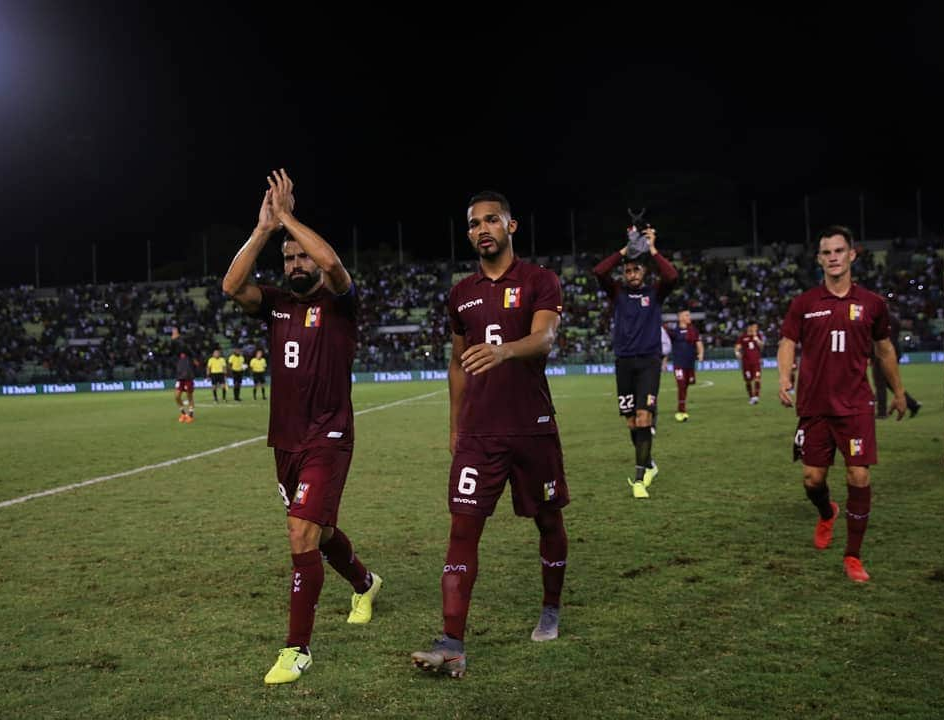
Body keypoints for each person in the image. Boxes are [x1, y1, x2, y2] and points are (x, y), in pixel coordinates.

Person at [221, 169, 381, 685]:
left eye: (300, 256)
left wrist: (289, 216)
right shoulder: (276, 305)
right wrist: (265, 230)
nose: (295, 264)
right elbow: (230, 286)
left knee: (299, 533)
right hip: (285, 439)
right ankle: (364, 582)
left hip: (329, 437)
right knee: (321, 530)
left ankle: (297, 649)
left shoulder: (340, 303)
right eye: (288, 259)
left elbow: (333, 263)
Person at [411, 191, 569, 678]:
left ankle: (550, 606)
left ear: (510, 226)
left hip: (532, 429)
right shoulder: (461, 294)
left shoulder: (540, 281)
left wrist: (503, 352)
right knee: (462, 530)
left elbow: (544, 338)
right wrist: (455, 425)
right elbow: (458, 363)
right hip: (479, 436)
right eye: (474, 224)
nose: (482, 229)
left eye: (491, 220)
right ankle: (452, 642)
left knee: (546, 520)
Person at [778, 225, 908, 584]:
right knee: (812, 479)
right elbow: (788, 341)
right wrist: (784, 377)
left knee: (859, 475)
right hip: (814, 406)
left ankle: (852, 556)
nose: (833, 257)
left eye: (839, 250)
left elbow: (884, 349)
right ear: (819, 259)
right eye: (826, 252)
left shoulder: (872, 304)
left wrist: (898, 392)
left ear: (852, 255)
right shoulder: (804, 303)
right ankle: (826, 511)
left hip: (855, 406)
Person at [592, 225, 678, 498]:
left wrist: (652, 249)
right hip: (624, 363)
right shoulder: (617, 293)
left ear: (644, 272)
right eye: (628, 270)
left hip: (649, 362)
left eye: (636, 270)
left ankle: (640, 478)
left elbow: (672, 275)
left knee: (644, 416)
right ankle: (649, 462)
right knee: (632, 422)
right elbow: (598, 271)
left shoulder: (655, 294)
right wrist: (624, 251)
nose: (631, 274)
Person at [872, 310, 921, 419]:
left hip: (883, 353)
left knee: (880, 382)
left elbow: (882, 340)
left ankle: (881, 412)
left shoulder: (881, 318)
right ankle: (913, 404)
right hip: (893, 352)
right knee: (890, 382)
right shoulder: (893, 319)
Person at [668, 310, 703, 421]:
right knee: (681, 384)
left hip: (690, 364)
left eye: (689, 315)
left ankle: (682, 404)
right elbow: (667, 346)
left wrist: (701, 353)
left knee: (687, 384)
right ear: (680, 318)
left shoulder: (693, 330)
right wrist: (664, 360)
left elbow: (698, 343)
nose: (689, 317)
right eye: (687, 315)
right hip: (679, 364)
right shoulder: (674, 332)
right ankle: (681, 410)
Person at [171, 327, 199, 423]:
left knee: (189, 396)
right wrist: (173, 340)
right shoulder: (177, 354)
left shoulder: (188, 352)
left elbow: (183, 345)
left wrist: (177, 338)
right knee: (177, 396)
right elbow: (173, 348)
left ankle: (190, 415)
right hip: (180, 376)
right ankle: (183, 413)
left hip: (188, 375)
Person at [735, 321, 764, 405]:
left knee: (757, 378)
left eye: (756, 327)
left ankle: (756, 397)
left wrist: (757, 339)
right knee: (748, 381)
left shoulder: (758, 336)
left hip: (756, 362)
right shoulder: (743, 337)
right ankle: (751, 397)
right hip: (746, 362)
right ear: (749, 327)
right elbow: (737, 347)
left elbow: (762, 347)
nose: (756, 328)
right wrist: (737, 353)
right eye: (754, 327)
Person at [654, 323, 672, 435]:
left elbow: (667, 346)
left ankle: (651, 425)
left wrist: (656, 354)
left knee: (650, 396)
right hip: (630, 365)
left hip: (651, 365)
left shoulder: (657, 328)